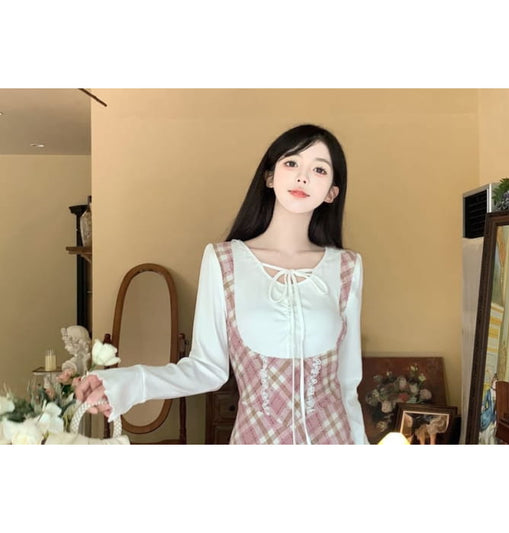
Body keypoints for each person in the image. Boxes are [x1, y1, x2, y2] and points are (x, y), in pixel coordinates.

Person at [76, 124, 368, 444]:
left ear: (332, 192)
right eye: (291, 163)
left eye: (319, 169)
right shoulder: (224, 261)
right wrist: (123, 383)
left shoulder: (346, 268)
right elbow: (207, 369)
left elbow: (347, 385)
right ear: (270, 177)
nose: (303, 177)